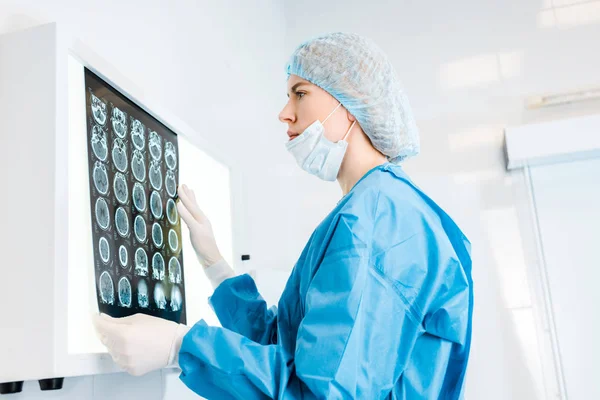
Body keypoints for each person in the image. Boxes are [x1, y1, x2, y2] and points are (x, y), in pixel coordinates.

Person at [93, 32, 473, 399]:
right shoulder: (375, 208)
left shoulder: (378, 218)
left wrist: (182, 347)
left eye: (300, 94)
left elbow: (323, 392)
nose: (284, 114)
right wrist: (216, 266)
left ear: (352, 102)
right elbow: (291, 346)